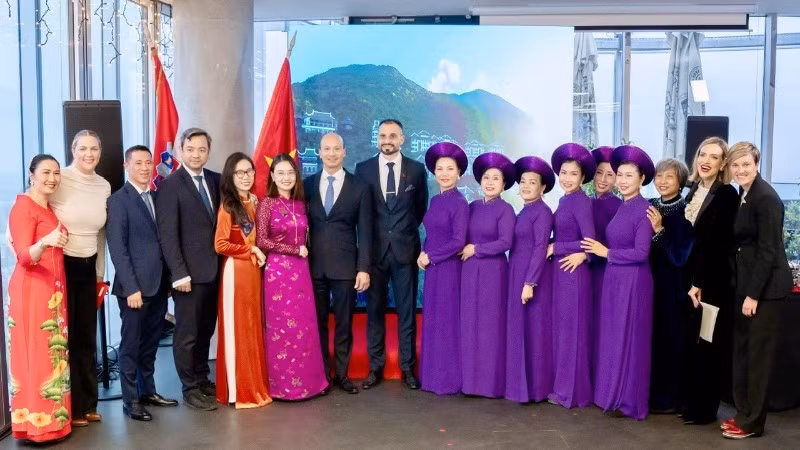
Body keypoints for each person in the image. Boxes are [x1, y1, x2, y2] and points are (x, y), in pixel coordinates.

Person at [722, 142, 793, 439]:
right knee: (744, 355)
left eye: (746, 165)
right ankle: (744, 414)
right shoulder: (745, 193)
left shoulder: (766, 198)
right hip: (747, 284)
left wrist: (753, 295)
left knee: (758, 359)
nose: (740, 170)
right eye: (735, 165)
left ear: (757, 164)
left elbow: (768, 252)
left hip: (766, 291)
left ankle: (753, 423)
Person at [355, 119, 428, 390]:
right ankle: (375, 368)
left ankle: (408, 368)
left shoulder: (417, 170)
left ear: (402, 139)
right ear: (377, 139)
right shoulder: (362, 170)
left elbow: (420, 209)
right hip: (373, 255)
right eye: (383, 135)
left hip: (405, 252)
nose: (387, 140)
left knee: (406, 313)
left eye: (393, 136)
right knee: (374, 313)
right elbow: (362, 214)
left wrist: (402, 233)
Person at [106, 146, 178, 422]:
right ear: (126, 166)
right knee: (131, 345)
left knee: (150, 344)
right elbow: (118, 249)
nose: (145, 168)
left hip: (159, 285)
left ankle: (148, 391)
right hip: (134, 289)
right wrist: (132, 287)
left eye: (148, 163)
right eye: (138, 163)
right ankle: (131, 400)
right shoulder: (118, 201)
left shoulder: (157, 197)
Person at [583, 145, 655, 420]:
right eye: (620, 175)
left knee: (629, 337)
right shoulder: (624, 207)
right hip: (615, 277)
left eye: (628, 176)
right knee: (614, 336)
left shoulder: (644, 209)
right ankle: (611, 394)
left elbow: (641, 253)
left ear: (641, 179)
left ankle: (627, 400)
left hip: (633, 281)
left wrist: (606, 252)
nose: (623, 180)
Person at [156, 128, 221, 411]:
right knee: (187, 333)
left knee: (206, 329)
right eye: (191, 149)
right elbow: (168, 235)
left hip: (215, 271)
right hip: (188, 277)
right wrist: (179, 274)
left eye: (202, 150)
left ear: (208, 151)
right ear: (181, 150)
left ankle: (202, 377)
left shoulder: (216, 180)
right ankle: (189, 387)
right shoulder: (170, 186)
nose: (196, 155)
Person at [49, 130, 111, 426]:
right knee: (67, 337)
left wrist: (100, 271)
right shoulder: (61, 179)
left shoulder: (104, 185)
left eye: (94, 148)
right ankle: (69, 408)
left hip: (89, 268)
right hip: (62, 266)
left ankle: (88, 404)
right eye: (83, 148)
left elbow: (100, 233)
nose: (89, 154)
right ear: (73, 150)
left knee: (87, 338)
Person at [8, 155, 71, 443]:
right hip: (32, 291)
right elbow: (23, 257)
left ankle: (54, 422)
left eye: (56, 173)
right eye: (45, 172)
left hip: (52, 291)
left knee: (51, 356)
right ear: (31, 174)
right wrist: (45, 242)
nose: (52, 178)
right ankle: (36, 426)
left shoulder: (48, 208)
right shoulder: (24, 207)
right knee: (37, 354)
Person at [304, 133, 372, 395]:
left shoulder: (359, 187)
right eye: (326, 149)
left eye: (336, 149)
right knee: (317, 324)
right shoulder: (306, 185)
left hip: (346, 268)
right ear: (319, 153)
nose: (331, 154)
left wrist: (363, 267)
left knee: (344, 324)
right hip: (313, 267)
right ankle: (321, 377)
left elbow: (365, 232)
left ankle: (341, 375)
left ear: (344, 152)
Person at [257, 153, 328, 400]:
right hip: (277, 273)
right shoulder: (267, 203)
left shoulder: (301, 204)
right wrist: (293, 249)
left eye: (290, 173)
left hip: (301, 272)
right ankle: (282, 387)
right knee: (281, 330)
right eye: (281, 173)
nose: (286, 178)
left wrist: (301, 252)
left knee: (304, 327)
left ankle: (310, 383)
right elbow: (262, 240)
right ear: (273, 177)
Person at [682, 137, 739, 425]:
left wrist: (699, 282)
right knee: (693, 343)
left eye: (714, 157)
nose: (706, 160)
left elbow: (717, 245)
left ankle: (704, 410)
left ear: (722, 164)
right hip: (691, 276)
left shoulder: (727, 195)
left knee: (709, 343)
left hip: (712, 282)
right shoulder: (692, 189)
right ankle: (691, 403)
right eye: (702, 154)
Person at [214, 152, 272, 408]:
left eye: (249, 171)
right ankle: (240, 391)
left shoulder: (255, 201)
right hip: (236, 273)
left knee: (253, 327)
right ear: (231, 176)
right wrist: (250, 250)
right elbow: (220, 244)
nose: (246, 176)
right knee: (239, 329)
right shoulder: (229, 206)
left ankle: (255, 384)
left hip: (254, 272)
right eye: (239, 172)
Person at [460, 152, 516, 398]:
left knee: (490, 327)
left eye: (496, 178)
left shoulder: (506, 209)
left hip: (493, 273)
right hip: (470, 271)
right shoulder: (471, 207)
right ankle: (470, 383)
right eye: (486, 177)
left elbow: (506, 241)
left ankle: (490, 385)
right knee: (470, 324)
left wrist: (477, 249)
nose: (490, 182)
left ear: (504, 184)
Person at [417, 142, 469, 395]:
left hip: (449, 269)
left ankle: (447, 380)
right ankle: (431, 377)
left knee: (447, 322)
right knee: (434, 319)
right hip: (434, 267)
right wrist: (423, 252)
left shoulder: (459, 202)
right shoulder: (436, 199)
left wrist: (431, 256)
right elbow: (434, 233)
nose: (445, 173)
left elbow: (458, 241)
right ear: (434, 172)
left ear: (459, 173)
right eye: (440, 168)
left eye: (450, 169)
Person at [548, 143, 596, 408]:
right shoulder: (565, 199)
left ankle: (571, 393)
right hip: (562, 271)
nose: (567, 178)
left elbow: (590, 241)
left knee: (572, 332)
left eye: (573, 174)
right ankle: (564, 388)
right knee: (565, 331)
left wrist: (557, 247)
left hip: (574, 275)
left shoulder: (581, 201)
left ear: (582, 178)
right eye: (564, 172)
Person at [504, 156, 555, 403]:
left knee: (535, 332)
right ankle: (520, 387)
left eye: (532, 182)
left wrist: (529, 282)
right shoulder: (524, 210)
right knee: (521, 330)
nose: (525, 186)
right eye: (522, 181)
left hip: (532, 278)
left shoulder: (542, 212)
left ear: (542, 186)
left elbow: (540, 248)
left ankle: (536, 389)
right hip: (517, 273)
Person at [646, 158, 694, 414]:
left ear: (680, 181)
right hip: (648, 284)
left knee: (669, 343)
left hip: (672, 289)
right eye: (659, 177)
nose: (663, 182)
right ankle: (650, 395)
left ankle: (668, 400)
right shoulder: (651, 205)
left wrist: (659, 230)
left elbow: (679, 257)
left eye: (669, 177)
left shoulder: (686, 210)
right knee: (650, 341)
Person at [588, 146, 621, 378]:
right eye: (599, 173)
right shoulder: (584, 201)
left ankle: (601, 375)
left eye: (610, 174)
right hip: (582, 269)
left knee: (602, 323)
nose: (603, 179)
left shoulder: (619, 206)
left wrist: (601, 252)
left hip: (604, 271)